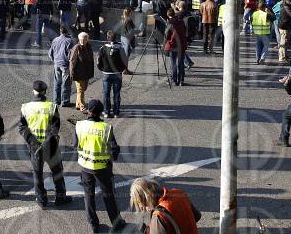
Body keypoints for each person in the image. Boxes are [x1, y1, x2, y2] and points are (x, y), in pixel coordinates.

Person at [19, 81, 72, 208]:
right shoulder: (51, 107)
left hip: (34, 148)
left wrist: (34, 143)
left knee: (37, 174)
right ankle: (60, 197)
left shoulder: (25, 108)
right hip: (51, 147)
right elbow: (55, 128)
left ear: (33, 91)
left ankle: (42, 200)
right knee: (57, 171)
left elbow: (22, 128)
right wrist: (46, 142)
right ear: (45, 92)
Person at [74, 99, 124, 233]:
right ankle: (116, 222)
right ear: (101, 113)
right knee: (108, 195)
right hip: (103, 167)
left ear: (88, 111)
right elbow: (114, 149)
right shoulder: (106, 128)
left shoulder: (79, 125)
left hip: (85, 166)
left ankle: (94, 224)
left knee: (88, 195)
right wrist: (112, 158)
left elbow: (75, 145)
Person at [129, 178, 201, 234]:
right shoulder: (178, 193)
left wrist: (145, 230)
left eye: (142, 205)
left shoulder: (159, 215)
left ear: (146, 200)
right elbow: (197, 216)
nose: (143, 208)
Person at [97, 30, 128, 118]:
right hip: (117, 73)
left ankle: (106, 112)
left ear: (107, 37)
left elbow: (98, 62)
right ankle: (116, 112)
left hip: (106, 73)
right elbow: (125, 61)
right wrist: (121, 69)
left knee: (106, 93)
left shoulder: (103, 48)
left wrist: (102, 69)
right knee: (117, 93)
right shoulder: (120, 48)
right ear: (116, 38)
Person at [48, 25, 74, 106]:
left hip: (57, 64)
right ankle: (65, 101)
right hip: (65, 65)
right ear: (67, 31)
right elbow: (71, 55)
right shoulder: (69, 41)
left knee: (57, 83)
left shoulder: (55, 40)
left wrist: (54, 60)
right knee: (66, 84)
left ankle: (56, 100)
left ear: (60, 31)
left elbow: (50, 53)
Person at [70, 32, 95, 112]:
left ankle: (78, 103)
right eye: (81, 39)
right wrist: (72, 72)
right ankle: (82, 106)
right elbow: (72, 61)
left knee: (84, 88)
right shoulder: (76, 48)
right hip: (78, 73)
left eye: (84, 39)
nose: (82, 41)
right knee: (80, 90)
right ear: (79, 39)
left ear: (87, 40)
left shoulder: (89, 47)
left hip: (86, 72)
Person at [164, 8, 188, 86]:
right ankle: (181, 80)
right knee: (180, 63)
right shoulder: (181, 21)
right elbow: (184, 31)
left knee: (173, 62)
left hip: (173, 44)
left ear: (168, 15)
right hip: (181, 44)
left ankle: (174, 80)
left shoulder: (169, 23)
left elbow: (167, 35)